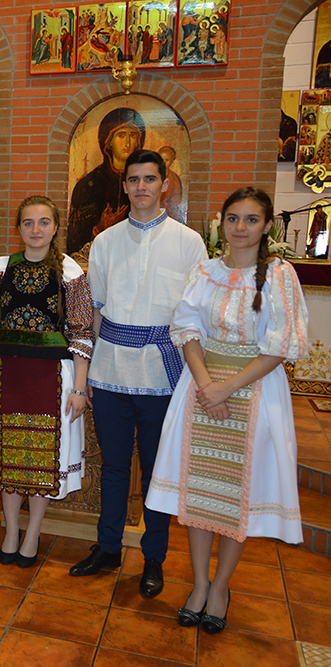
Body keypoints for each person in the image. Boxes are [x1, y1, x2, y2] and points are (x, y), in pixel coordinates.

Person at [146, 187, 308, 633]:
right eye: (233, 219)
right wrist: (205, 385)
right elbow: (187, 328)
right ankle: (199, 584)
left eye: (251, 220)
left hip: (254, 392)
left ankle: (220, 587)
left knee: (237, 496)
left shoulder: (280, 276)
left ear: (268, 225)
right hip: (201, 389)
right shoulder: (206, 271)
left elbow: (280, 345)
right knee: (199, 491)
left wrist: (228, 389)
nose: (240, 228)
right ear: (222, 223)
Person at [69, 150, 207, 599]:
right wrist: (88, 370)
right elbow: (95, 311)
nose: (142, 187)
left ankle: (153, 558)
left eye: (150, 179)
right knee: (112, 466)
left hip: (163, 373)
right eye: (134, 179)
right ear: (125, 185)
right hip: (110, 369)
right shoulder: (106, 242)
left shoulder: (189, 242)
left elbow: (194, 316)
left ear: (164, 184)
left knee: (155, 471)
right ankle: (108, 548)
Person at [0, 195, 95, 569]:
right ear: (19, 228)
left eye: (43, 222)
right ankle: (11, 530)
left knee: (41, 459)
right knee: (8, 457)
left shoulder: (70, 272)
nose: (36, 230)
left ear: (55, 228)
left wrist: (79, 388)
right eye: (28, 223)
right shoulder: (0, 268)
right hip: (4, 372)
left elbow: (81, 333)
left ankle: (33, 533)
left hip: (52, 376)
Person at [67, 107, 146, 255]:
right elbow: (75, 242)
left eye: (133, 135)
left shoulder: (144, 185)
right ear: (108, 141)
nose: (127, 143)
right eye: (121, 135)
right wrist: (99, 228)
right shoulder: (89, 185)